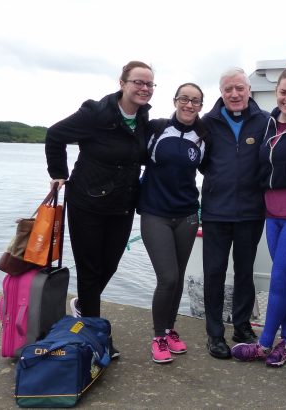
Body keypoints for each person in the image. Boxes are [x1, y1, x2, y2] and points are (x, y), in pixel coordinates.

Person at [45, 61, 155, 359]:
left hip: (122, 205)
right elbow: (55, 135)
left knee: (110, 265)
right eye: (138, 82)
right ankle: (96, 336)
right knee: (90, 269)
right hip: (87, 202)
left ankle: (83, 304)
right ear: (123, 83)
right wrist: (58, 173)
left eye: (149, 84)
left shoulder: (144, 118)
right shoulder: (95, 113)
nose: (144, 88)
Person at [230, 61, 286, 367]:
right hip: (273, 212)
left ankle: (265, 344)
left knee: (280, 277)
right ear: (276, 92)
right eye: (284, 92)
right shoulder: (269, 122)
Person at [200, 68, 269, 359]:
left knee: (244, 273)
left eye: (239, 88)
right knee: (214, 273)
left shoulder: (265, 121)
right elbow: (201, 162)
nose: (234, 94)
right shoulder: (208, 123)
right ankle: (215, 334)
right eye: (228, 89)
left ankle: (241, 326)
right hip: (216, 212)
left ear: (249, 90)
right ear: (221, 92)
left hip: (251, 212)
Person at [138, 83, 207, 364]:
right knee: (167, 277)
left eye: (195, 101)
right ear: (175, 101)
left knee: (177, 278)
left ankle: (170, 329)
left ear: (202, 106)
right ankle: (157, 336)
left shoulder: (204, 137)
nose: (189, 105)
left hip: (188, 215)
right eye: (184, 99)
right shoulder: (156, 128)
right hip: (155, 214)